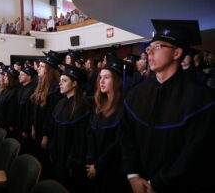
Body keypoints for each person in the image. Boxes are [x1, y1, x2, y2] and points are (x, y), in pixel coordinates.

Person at [119, 19, 215, 193]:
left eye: (158, 47)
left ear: (177, 53)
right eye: (149, 48)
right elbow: (126, 136)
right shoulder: (137, 93)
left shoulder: (201, 98)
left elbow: (193, 154)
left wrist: (157, 183)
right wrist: (133, 176)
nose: (149, 53)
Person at [86, 61, 131, 193]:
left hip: (112, 169)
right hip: (95, 164)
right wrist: (91, 161)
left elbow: (118, 143)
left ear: (116, 81)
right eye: (100, 77)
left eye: (107, 77)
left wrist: (98, 166)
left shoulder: (124, 107)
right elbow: (90, 134)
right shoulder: (100, 105)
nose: (101, 81)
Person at [50, 65, 90, 192]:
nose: (60, 83)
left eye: (65, 80)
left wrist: (74, 161)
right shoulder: (60, 103)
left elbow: (80, 139)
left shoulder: (81, 106)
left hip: (71, 159)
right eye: (60, 80)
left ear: (74, 83)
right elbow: (55, 131)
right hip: (58, 155)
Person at [30, 52, 63, 178]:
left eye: (42, 66)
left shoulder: (55, 88)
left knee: (45, 162)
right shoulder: (40, 84)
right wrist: (33, 126)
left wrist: (46, 135)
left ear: (49, 69)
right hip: (38, 127)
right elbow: (35, 110)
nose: (38, 68)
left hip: (47, 133)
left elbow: (51, 115)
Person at [17, 67, 38, 153]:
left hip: (27, 125)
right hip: (20, 123)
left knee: (27, 148)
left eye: (22, 75)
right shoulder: (22, 88)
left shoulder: (32, 89)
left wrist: (25, 129)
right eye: (19, 74)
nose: (19, 76)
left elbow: (30, 112)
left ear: (29, 77)